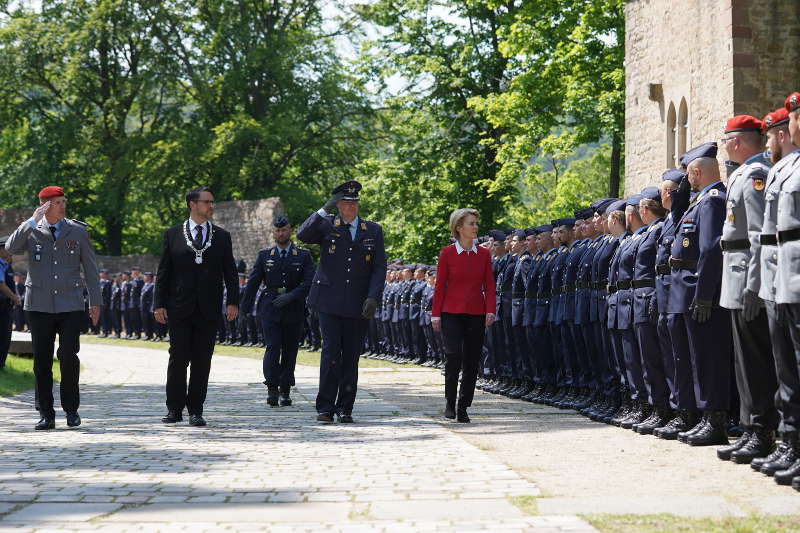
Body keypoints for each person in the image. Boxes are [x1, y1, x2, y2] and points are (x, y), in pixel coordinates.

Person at [4, 186, 101, 430]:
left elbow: (90, 268)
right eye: (57, 202)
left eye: (63, 201)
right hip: (38, 305)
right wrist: (31, 220)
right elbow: (11, 248)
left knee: (69, 357)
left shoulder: (77, 231)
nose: (63, 206)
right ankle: (46, 413)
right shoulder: (32, 230)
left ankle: (71, 410)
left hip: (70, 304)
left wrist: (96, 301)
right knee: (42, 361)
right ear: (45, 205)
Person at [297, 180, 387, 423]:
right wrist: (322, 210)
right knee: (331, 353)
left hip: (359, 303)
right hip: (329, 301)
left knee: (351, 356)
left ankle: (346, 407)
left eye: (354, 203)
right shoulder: (327, 225)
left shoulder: (373, 230)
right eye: (346, 203)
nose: (351, 208)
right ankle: (325, 407)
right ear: (338, 205)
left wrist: (373, 296)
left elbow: (379, 267)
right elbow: (302, 235)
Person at [715, 115, 778, 464]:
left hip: (746, 278)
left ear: (737, 142)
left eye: (727, 139)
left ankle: (761, 430)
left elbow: (757, 236)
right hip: (735, 275)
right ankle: (750, 428)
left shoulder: (755, 175)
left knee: (755, 360)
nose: (725, 146)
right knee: (743, 361)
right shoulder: (744, 173)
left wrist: (754, 286)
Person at [154, 186, 239, 427]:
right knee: (178, 358)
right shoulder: (173, 234)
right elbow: (164, 272)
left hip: (208, 309)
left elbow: (230, 272)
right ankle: (174, 408)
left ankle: (196, 409)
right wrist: (159, 304)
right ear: (192, 204)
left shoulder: (222, 236)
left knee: (203, 360)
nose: (211, 206)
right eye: (207, 202)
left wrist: (233, 301)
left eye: (212, 202)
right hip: (179, 308)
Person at [669, 142, 732, 446]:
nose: (687, 181)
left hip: (700, 291)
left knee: (709, 358)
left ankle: (715, 419)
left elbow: (710, 250)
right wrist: (682, 193)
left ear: (697, 172)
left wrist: (705, 294)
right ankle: (705, 415)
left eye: (689, 175)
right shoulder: (699, 201)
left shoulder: (713, 201)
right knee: (696, 358)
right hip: (688, 290)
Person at [431, 208, 496, 423]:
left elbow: (489, 284)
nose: (475, 227)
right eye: (471, 223)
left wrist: (490, 309)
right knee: (453, 357)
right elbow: (440, 285)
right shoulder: (447, 253)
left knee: (471, 360)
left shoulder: (484, 254)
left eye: (476, 223)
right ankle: (450, 401)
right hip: (451, 312)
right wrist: (435, 314)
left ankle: (463, 405)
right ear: (459, 228)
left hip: (476, 312)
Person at [241, 216, 314, 407]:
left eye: (284, 230)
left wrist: (292, 296)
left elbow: (309, 282)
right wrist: (244, 309)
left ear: (290, 231)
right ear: (273, 232)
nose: (280, 233)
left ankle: (286, 389)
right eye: (277, 231)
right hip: (270, 307)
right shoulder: (265, 255)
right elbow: (253, 283)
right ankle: (272, 387)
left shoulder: (302, 255)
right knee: (273, 347)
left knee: (290, 349)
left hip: (294, 308)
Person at [0, 239, 20, 370]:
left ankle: (1, 364)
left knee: (5, 335)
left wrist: (15, 295)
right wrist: (15, 298)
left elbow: (11, 284)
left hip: (6, 305)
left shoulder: (7, 265)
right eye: (8, 249)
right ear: (1, 250)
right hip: (1, 305)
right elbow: (1, 285)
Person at [98, 269, 112, 337]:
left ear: (106, 275)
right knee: (102, 318)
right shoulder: (100, 282)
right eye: (101, 273)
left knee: (105, 318)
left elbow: (108, 295)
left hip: (105, 303)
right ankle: (103, 331)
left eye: (102, 273)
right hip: (100, 303)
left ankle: (106, 332)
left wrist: (106, 303)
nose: (101, 274)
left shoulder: (107, 283)